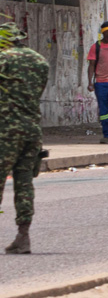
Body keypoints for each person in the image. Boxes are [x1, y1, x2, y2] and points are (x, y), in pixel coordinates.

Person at [0, 20, 50, 255]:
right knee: (24, 182)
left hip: (6, 130)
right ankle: (23, 235)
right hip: (31, 129)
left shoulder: (3, 59)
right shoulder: (40, 60)